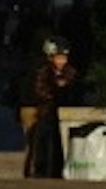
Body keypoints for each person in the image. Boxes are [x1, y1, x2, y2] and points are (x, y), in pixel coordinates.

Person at [22, 36, 74, 180]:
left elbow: (74, 86)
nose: (62, 62)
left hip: (61, 113)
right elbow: (39, 90)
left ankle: (56, 169)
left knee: (57, 144)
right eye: (58, 58)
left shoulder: (69, 72)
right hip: (45, 113)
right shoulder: (42, 71)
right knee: (41, 142)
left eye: (64, 58)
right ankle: (40, 169)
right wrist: (54, 91)